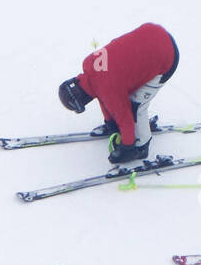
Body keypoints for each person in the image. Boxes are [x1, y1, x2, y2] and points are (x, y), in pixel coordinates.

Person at [58, 22, 179, 164]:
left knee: (135, 107)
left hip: (166, 57)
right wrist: (110, 122)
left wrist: (127, 148)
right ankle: (134, 134)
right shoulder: (89, 63)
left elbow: (124, 117)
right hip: (153, 32)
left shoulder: (107, 91)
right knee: (122, 95)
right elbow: (104, 95)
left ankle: (141, 147)